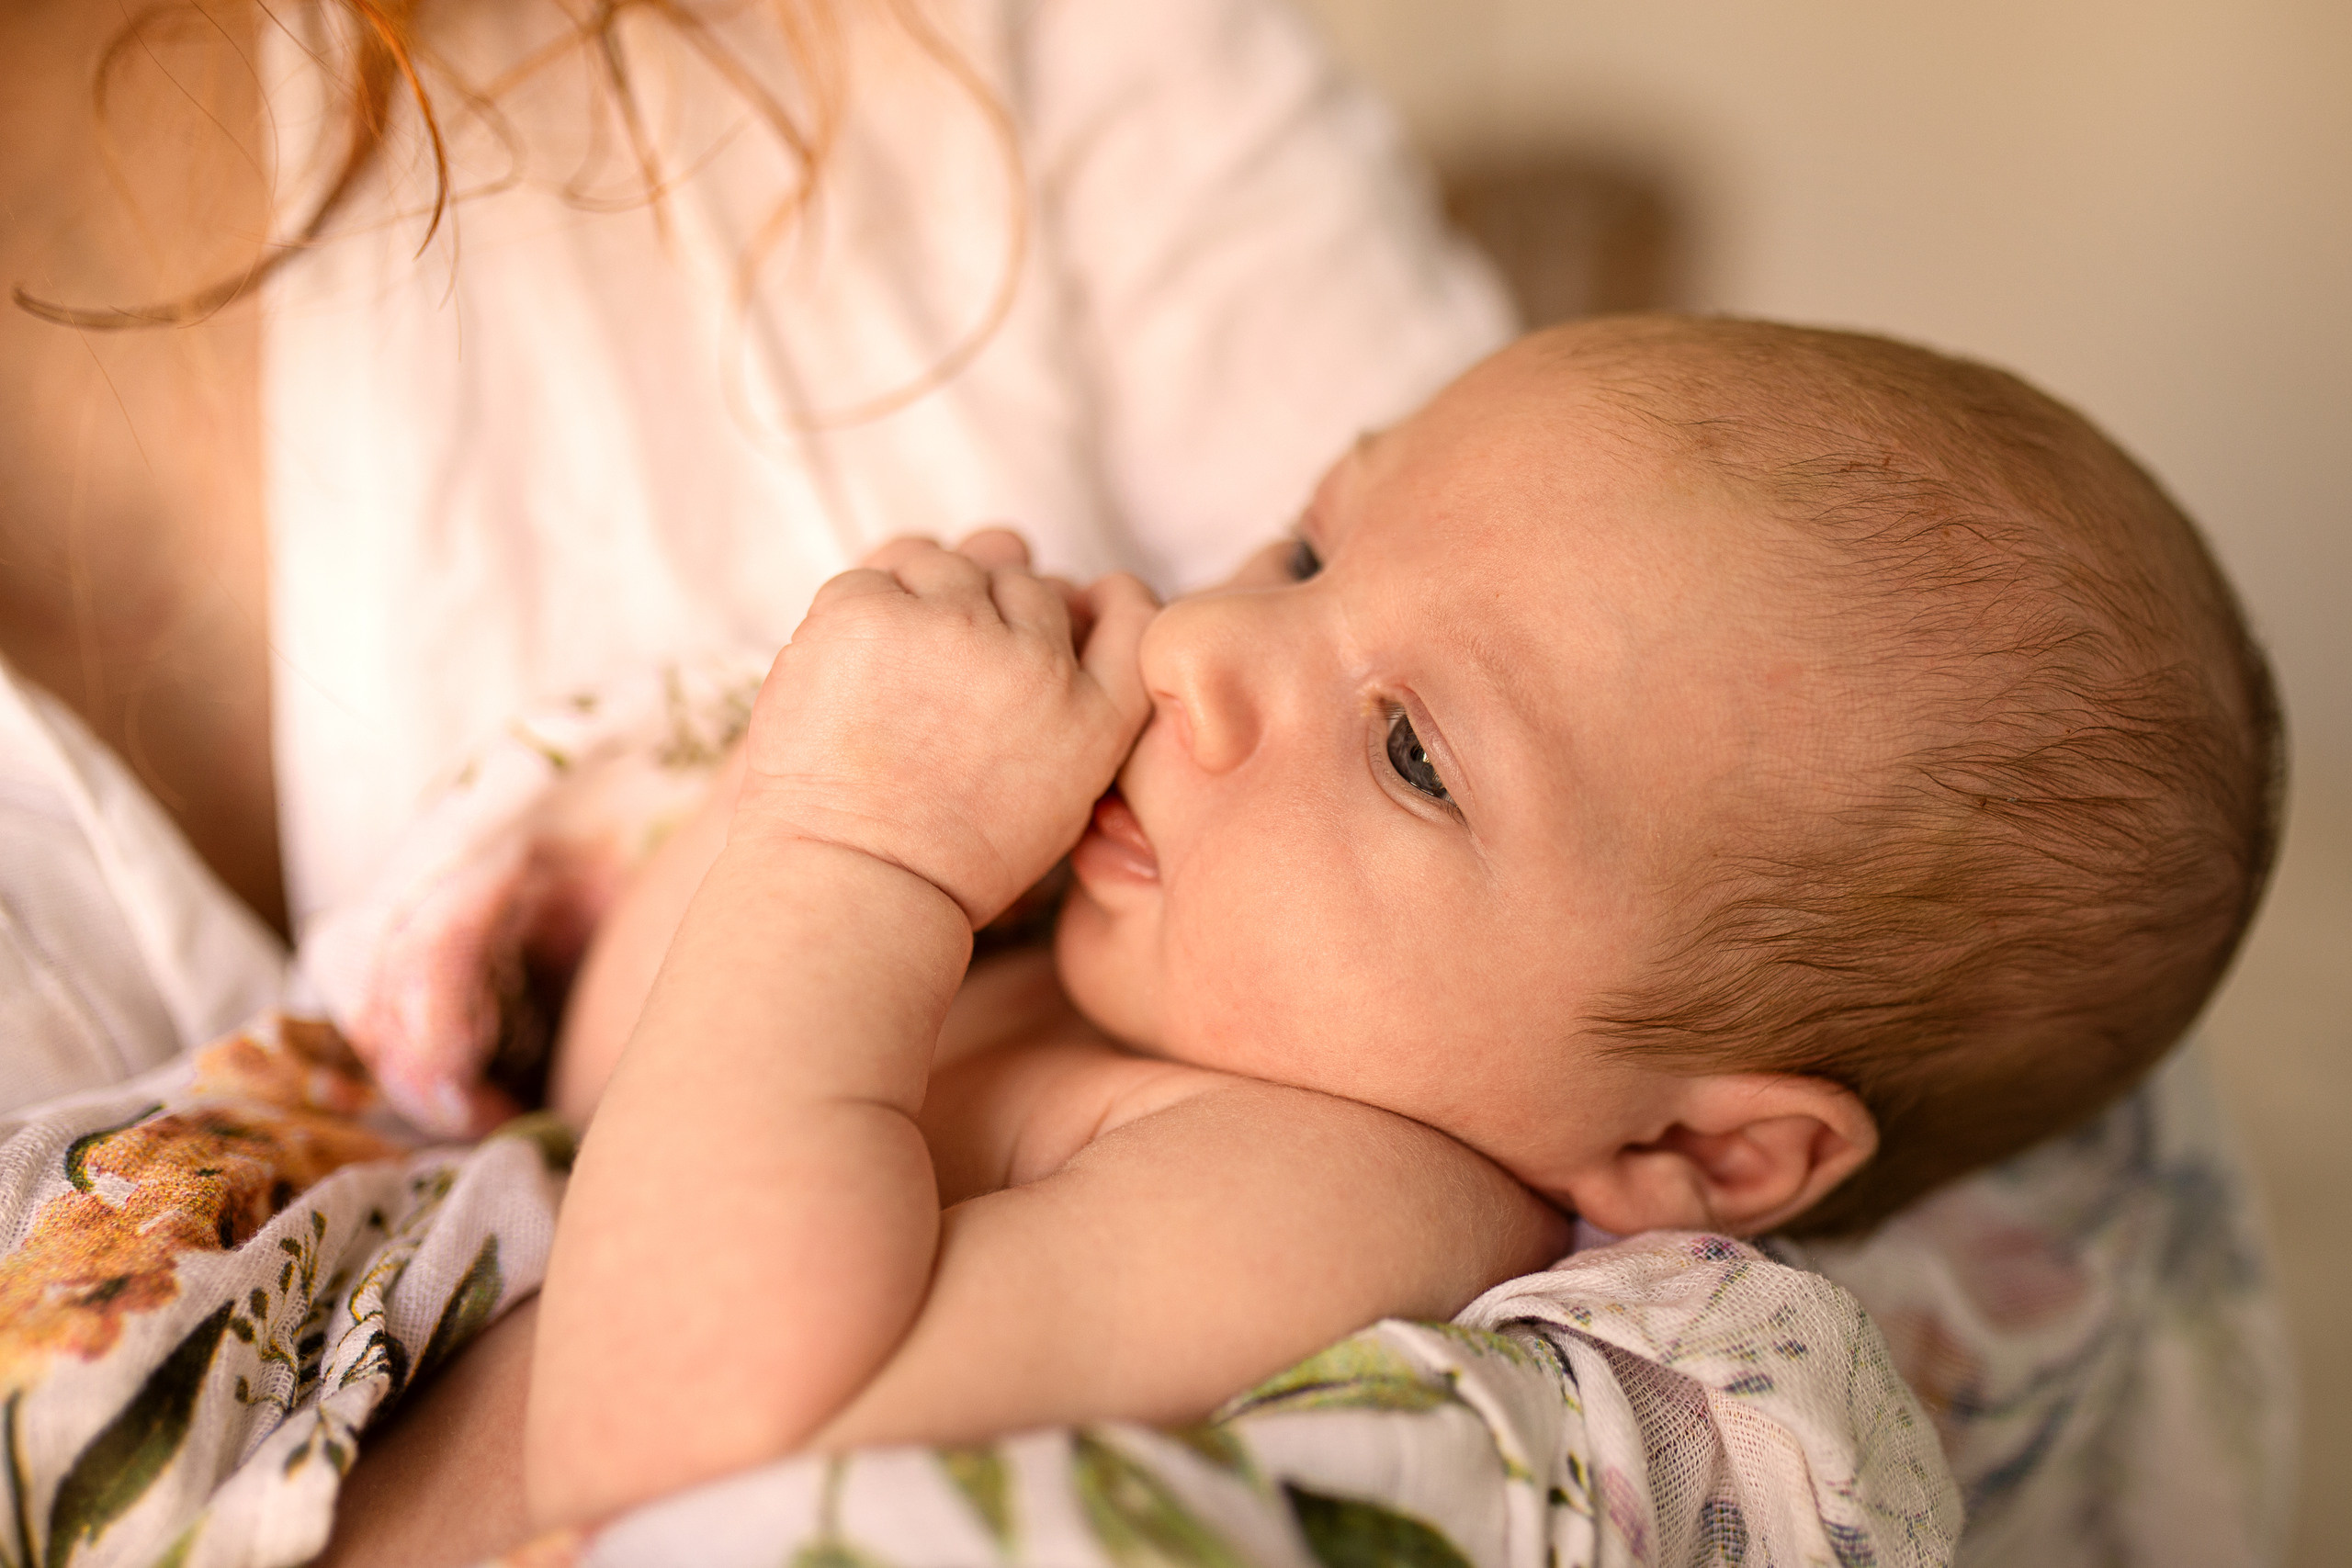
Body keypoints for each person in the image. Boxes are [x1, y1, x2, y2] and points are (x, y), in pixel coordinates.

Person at [423, 315, 2267, 1534]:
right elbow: (613, 1109)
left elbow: (672, 1462)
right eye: (1308, 549)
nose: (1204, 643)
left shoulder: (1331, 1187)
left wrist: (847, 851)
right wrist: (838, 808)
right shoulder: (1136, 994)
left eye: (1403, 748)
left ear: (1693, 1140)